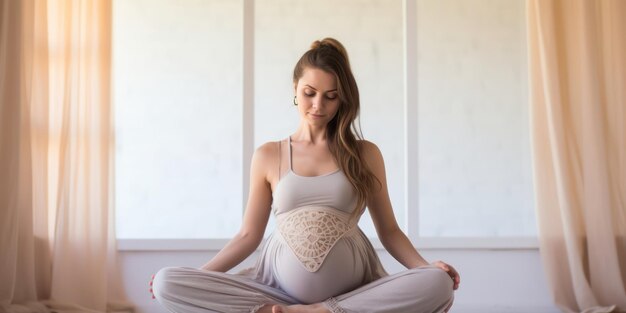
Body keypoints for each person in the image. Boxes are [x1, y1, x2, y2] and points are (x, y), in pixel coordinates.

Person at [150, 38, 459, 313]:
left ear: (343, 99)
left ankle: (322, 310)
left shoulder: (365, 154)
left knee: (437, 283)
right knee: (166, 282)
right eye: (309, 93)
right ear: (295, 91)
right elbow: (248, 236)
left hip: (353, 293)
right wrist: (201, 279)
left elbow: (389, 231)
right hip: (274, 291)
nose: (318, 105)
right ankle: (284, 309)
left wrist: (424, 267)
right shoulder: (269, 155)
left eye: (331, 96)